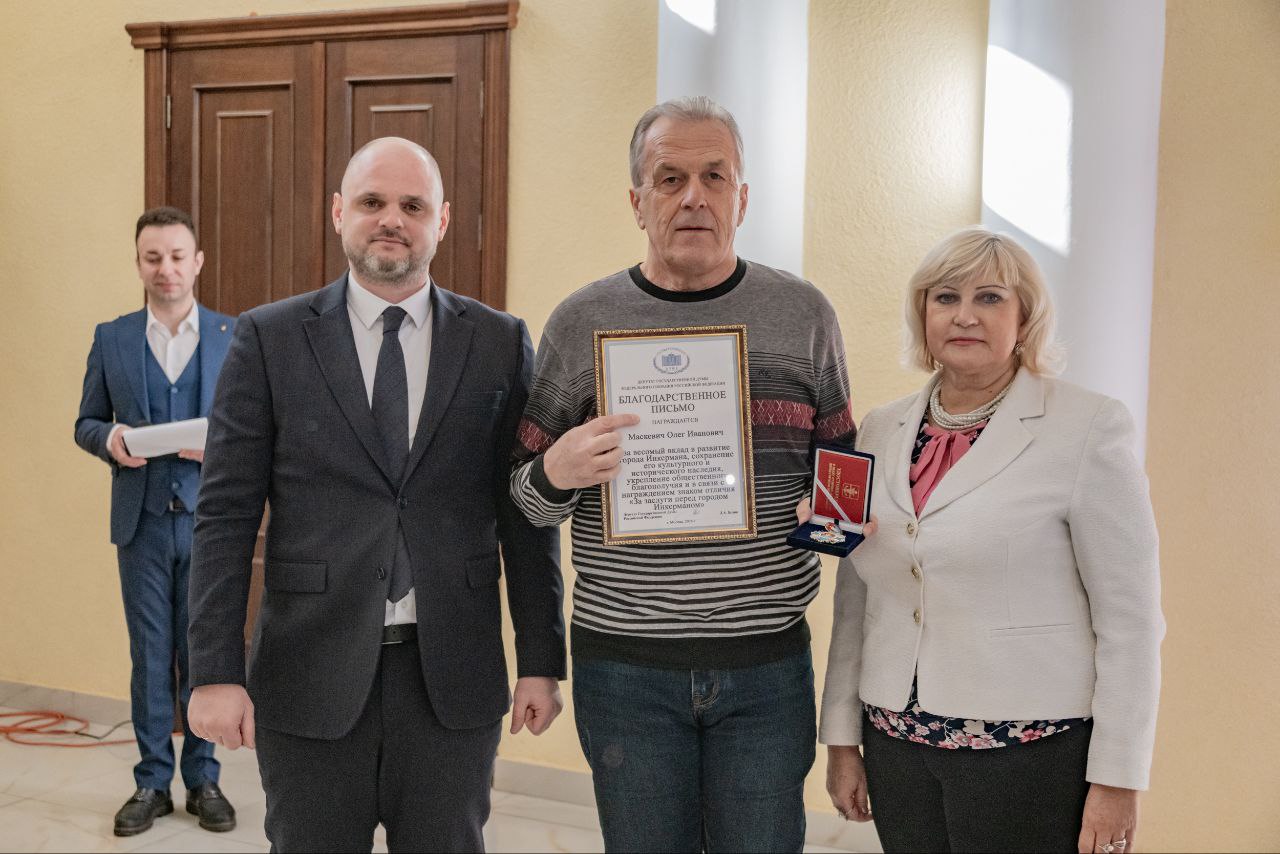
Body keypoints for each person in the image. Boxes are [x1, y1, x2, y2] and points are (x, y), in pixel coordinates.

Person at [185, 137, 565, 852]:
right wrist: (213, 672)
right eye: (372, 202)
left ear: (441, 221)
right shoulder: (269, 339)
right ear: (338, 213)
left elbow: (525, 516)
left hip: (451, 677)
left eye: (412, 206)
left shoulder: (498, 341)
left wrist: (542, 659)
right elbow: (225, 516)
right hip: (308, 673)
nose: (392, 219)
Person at [509, 97, 855, 853]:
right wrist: (557, 473)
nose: (694, 196)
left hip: (766, 667)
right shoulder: (580, 322)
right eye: (670, 178)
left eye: (714, 177)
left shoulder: (804, 316)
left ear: (742, 198)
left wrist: (829, 522)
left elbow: (844, 485)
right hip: (624, 670)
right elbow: (522, 501)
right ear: (638, 201)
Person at [819, 227, 1164, 853]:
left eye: (990, 298)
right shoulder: (880, 428)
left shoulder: (1088, 426)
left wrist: (1118, 778)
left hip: (1028, 749)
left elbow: (1130, 619)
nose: (965, 316)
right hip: (897, 744)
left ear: (1025, 317)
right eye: (945, 297)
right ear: (923, 314)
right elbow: (855, 600)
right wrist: (843, 738)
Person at [73, 207, 237, 837]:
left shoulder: (233, 336)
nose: (165, 269)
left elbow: (254, 428)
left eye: (176, 256)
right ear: (139, 264)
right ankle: (151, 782)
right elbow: (86, 422)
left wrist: (217, 446)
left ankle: (203, 779)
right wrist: (110, 438)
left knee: (203, 654)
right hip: (139, 524)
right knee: (149, 655)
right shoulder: (112, 337)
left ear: (197, 262)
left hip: (208, 523)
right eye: (152, 258)